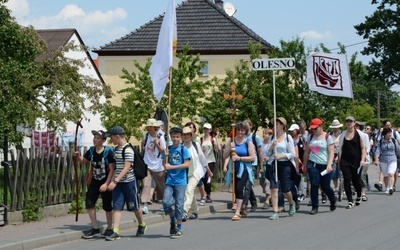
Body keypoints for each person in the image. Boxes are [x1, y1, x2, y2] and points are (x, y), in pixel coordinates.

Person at [106, 126, 146, 241]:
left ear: (118, 136)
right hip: (118, 184)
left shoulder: (128, 149)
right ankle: (116, 231)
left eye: (112, 137)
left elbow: (127, 167)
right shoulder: (116, 149)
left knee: (134, 206)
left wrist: (115, 181)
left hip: (129, 183)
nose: (111, 140)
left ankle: (142, 224)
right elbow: (116, 167)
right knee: (117, 207)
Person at [75, 130, 115, 239]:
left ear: (103, 140)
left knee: (107, 205)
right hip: (95, 180)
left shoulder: (108, 152)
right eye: (94, 137)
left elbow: (112, 169)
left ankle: (110, 228)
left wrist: (107, 184)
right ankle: (95, 228)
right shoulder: (91, 150)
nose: (95, 139)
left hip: (105, 180)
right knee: (89, 202)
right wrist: (78, 156)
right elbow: (84, 161)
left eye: (98, 138)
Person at [302, 118, 336, 214]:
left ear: (321, 126)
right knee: (314, 184)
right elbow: (306, 152)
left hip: (325, 165)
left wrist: (329, 164)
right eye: (312, 128)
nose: (314, 130)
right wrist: (304, 165)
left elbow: (331, 152)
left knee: (325, 187)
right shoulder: (310, 137)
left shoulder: (327, 137)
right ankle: (315, 206)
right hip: (313, 164)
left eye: (315, 128)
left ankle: (333, 199)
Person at [223, 121, 255, 221]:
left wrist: (239, 158)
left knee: (239, 187)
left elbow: (252, 157)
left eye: (242, 130)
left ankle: (237, 212)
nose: (240, 132)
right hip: (234, 169)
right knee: (237, 190)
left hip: (244, 168)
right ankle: (240, 208)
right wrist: (230, 147)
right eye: (238, 130)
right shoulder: (232, 141)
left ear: (245, 131)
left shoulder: (248, 142)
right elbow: (225, 156)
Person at [266, 117, 297, 220]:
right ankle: (275, 212)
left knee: (285, 190)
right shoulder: (272, 138)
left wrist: (281, 156)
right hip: (273, 165)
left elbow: (292, 153)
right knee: (274, 189)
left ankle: (291, 203)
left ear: (282, 126)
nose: (275, 126)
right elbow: (267, 153)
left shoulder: (288, 137)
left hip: (285, 165)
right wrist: (272, 146)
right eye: (274, 124)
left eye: (277, 124)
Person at [162, 127, 190, 239]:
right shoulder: (168, 149)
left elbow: (186, 165)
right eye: (173, 136)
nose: (175, 138)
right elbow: (164, 165)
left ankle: (179, 228)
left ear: (181, 137)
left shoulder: (184, 149)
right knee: (166, 202)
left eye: (177, 136)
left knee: (179, 205)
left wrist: (172, 167)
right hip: (169, 181)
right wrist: (166, 157)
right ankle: (172, 220)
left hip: (180, 181)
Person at [338, 116, 366, 209]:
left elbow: (363, 148)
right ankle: (350, 201)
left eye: (351, 122)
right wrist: (339, 162)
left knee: (356, 180)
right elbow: (340, 149)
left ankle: (359, 195)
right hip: (345, 160)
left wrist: (362, 160)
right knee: (346, 179)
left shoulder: (359, 134)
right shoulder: (342, 135)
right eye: (347, 122)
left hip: (356, 161)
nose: (349, 123)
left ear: (354, 123)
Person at [182, 126, 209, 221]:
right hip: (185, 173)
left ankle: (184, 211)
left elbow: (202, 158)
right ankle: (194, 211)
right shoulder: (180, 147)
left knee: (189, 190)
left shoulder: (195, 145)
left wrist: (208, 170)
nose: (186, 136)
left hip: (196, 172)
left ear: (191, 135)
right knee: (190, 192)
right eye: (184, 134)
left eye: (188, 134)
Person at [141, 118, 166, 214]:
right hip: (147, 164)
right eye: (148, 127)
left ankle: (164, 203)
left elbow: (163, 151)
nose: (148, 129)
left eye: (150, 127)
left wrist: (157, 144)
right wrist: (142, 144)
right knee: (146, 184)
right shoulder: (146, 135)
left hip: (158, 165)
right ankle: (145, 205)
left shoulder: (161, 137)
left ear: (155, 127)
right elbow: (145, 149)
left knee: (161, 186)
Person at [242, 119, 262, 212]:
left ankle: (244, 205)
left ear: (250, 126)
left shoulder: (255, 137)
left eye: (246, 125)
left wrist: (261, 166)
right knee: (247, 185)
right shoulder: (242, 137)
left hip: (253, 164)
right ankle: (253, 202)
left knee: (247, 185)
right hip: (244, 164)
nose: (245, 127)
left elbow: (260, 152)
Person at [374, 127, 400, 195]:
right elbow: (378, 151)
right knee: (385, 175)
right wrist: (376, 159)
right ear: (385, 134)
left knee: (391, 174)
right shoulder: (380, 142)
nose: (390, 134)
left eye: (390, 133)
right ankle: (387, 188)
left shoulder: (394, 141)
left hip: (393, 159)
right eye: (388, 133)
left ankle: (391, 188)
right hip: (383, 160)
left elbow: (398, 150)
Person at [200, 123, 220, 203]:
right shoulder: (201, 139)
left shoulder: (212, 139)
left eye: (207, 129)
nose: (206, 130)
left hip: (210, 161)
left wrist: (216, 139)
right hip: (202, 161)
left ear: (210, 130)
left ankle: (208, 195)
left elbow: (218, 148)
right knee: (203, 178)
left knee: (208, 178)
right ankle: (204, 194)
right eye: (205, 129)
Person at [355, 121, 371, 201]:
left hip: (364, 159)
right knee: (355, 177)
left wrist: (363, 156)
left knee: (362, 176)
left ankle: (363, 193)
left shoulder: (364, 136)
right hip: (355, 159)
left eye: (357, 127)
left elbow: (367, 148)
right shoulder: (351, 135)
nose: (356, 128)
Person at [328, 119, 343, 194]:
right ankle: (336, 188)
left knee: (341, 173)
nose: (335, 128)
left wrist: (339, 156)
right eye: (334, 127)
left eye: (336, 127)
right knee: (334, 172)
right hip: (332, 154)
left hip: (341, 153)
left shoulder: (342, 134)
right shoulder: (330, 135)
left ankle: (342, 188)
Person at [261, 128, 272, 209]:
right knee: (262, 182)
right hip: (262, 165)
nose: (264, 135)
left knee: (267, 182)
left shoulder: (271, 144)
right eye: (263, 133)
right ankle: (271, 197)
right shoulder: (261, 144)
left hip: (269, 164)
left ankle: (267, 201)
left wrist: (269, 158)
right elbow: (260, 155)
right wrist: (261, 166)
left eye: (266, 133)